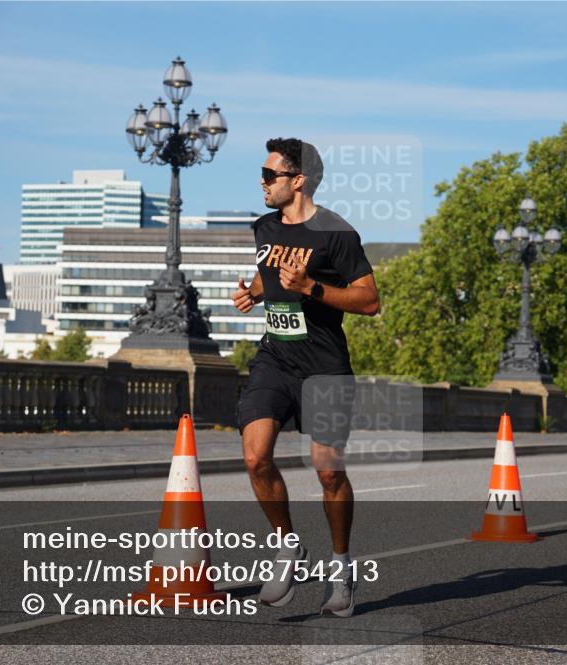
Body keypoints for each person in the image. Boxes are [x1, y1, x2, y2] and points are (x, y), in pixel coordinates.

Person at [231, 138, 379, 617]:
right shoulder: (264, 228)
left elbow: (370, 301)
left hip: (324, 366)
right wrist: (251, 294)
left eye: (269, 174)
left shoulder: (337, 233)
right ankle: (287, 546)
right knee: (256, 459)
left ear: (298, 180)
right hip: (275, 359)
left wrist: (312, 287)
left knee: (329, 471)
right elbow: (267, 277)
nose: (262, 182)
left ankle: (341, 566)